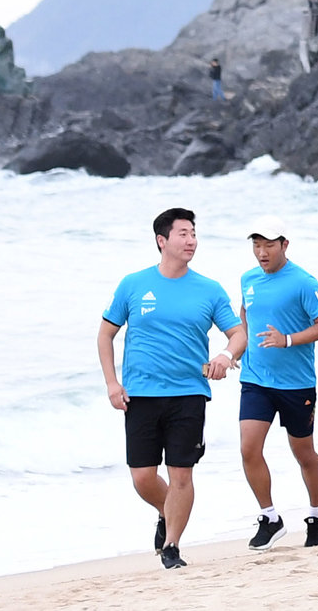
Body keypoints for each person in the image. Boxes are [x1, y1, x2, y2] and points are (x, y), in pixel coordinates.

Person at [98, 208, 243, 570]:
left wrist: (225, 356)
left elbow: (238, 333)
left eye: (193, 233)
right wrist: (112, 383)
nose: (191, 240)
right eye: (182, 233)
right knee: (143, 476)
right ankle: (168, 513)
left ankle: (172, 547)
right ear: (162, 241)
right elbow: (105, 334)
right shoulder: (133, 284)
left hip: (189, 394)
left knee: (181, 474)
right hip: (141, 394)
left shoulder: (209, 289)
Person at [237, 218, 318, 550]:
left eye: (268, 245)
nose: (261, 252)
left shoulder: (304, 283)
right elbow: (244, 316)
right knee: (249, 449)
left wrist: (288, 339)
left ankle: (316, 513)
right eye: (256, 245)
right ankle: (270, 518)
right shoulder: (248, 279)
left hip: (296, 384)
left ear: (284, 245)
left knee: (303, 452)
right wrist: (237, 349)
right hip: (255, 379)